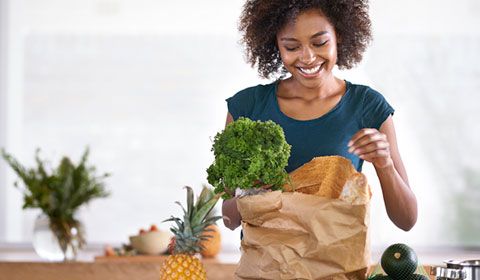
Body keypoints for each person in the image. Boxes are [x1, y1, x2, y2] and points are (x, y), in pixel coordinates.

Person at [222, 0, 417, 232]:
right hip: (266, 265)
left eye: (320, 42)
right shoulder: (247, 107)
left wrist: (385, 165)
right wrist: (254, 194)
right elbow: (229, 219)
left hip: (337, 264)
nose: (307, 57)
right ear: (275, 44)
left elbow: (407, 220)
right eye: (292, 47)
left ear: (339, 36)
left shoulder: (366, 106)